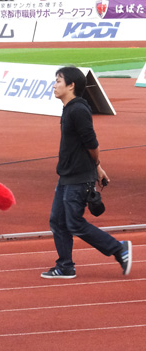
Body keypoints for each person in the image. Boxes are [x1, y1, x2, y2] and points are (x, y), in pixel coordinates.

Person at [41, 66, 132, 279]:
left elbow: (92, 143)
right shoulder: (69, 108)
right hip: (67, 175)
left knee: (74, 222)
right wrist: (97, 168)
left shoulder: (78, 110)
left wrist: (96, 165)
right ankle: (65, 266)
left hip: (78, 178)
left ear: (71, 85)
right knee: (58, 221)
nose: (54, 85)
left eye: (58, 81)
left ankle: (119, 249)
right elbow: (83, 145)